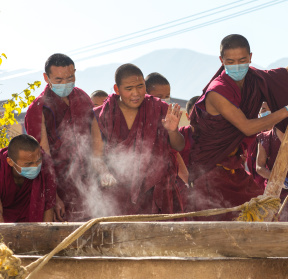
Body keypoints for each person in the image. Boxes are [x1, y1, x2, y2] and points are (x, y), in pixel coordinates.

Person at [188, 19, 288, 220]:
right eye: (230, 62)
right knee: (219, 227)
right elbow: (248, 127)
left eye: (242, 60)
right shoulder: (217, 91)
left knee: (264, 215)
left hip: (235, 170)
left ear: (250, 57)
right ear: (221, 60)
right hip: (210, 172)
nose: (237, 66)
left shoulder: (253, 78)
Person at [92, 64, 185, 216]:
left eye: (140, 86)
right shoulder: (102, 114)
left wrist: (172, 131)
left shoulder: (159, 108)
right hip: (117, 190)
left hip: (154, 191)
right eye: (129, 89)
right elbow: (96, 156)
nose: (136, 93)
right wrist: (104, 173)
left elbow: (179, 146)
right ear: (117, 89)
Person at [25, 53, 95, 221]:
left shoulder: (82, 97)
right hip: (59, 183)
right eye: (58, 80)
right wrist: (54, 197)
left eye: (70, 78)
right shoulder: (39, 108)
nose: (65, 83)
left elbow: (95, 137)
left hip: (88, 179)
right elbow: (43, 155)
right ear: (46, 77)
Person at [0, 134, 56, 223]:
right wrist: (3, 236)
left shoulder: (46, 163)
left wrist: (45, 234)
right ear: (10, 162)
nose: (36, 166)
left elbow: (49, 204)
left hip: (33, 221)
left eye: (38, 161)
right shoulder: (1, 167)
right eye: (28, 164)